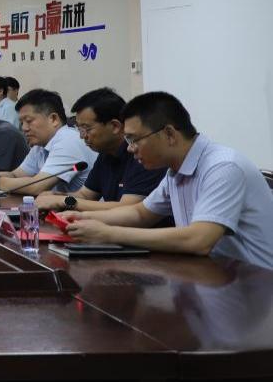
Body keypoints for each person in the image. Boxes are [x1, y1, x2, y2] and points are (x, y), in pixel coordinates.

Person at [62, 92, 273, 269]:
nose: (130, 148)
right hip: (211, 275)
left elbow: (199, 240)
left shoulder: (223, 167)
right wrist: (80, 217)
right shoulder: (175, 171)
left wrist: (109, 234)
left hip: (256, 287)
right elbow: (140, 214)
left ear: (169, 134)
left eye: (134, 139)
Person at [34, 88, 166, 212]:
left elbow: (127, 209)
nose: (82, 136)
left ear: (115, 126)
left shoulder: (142, 154)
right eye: (79, 129)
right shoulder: (105, 154)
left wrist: (64, 201)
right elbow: (86, 195)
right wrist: (57, 196)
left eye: (87, 128)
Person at [0, 89, 97, 194]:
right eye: (21, 122)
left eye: (29, 121)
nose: (24, 128)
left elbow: (36, 186)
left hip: (87, 213)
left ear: (53, 119)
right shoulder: (40, 145)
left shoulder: (68, 140)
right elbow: (15, 175)